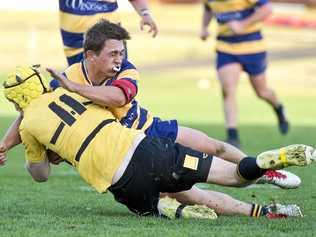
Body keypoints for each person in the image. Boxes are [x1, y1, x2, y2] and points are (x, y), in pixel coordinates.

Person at [0, 20, 300, 196]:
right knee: (187, 191)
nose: (120, 59)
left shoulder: (124, 70)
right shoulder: (66, 80)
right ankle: (251, 184)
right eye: (114, 53)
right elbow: (31, 110)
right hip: (125, 153)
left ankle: (263, 170)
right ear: (91, 55)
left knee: (213, 147)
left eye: (122, 52)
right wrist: (4, 144)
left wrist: (76, 89)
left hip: (148, 127)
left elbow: (119, 99)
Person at [2, 65, 314, 219]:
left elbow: (40, 173)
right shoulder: (70, 88)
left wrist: (38, 153)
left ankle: (170, 210)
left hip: (123, 181)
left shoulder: (29, 124)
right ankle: (258, 164)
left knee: (152, 205)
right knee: (233, 175)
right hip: (148, 148)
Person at [200, 0, 289, 148]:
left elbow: (267, 9)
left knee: (262, 92)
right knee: (228, 90)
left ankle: (278, 108)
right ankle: (232, 136)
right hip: (225, 47)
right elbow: (208, 8)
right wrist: (204, 28)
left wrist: (243, 24)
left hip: (253, 46)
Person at [59, 0, 158, 65]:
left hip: (112, 42)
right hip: (76, 46)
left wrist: (145, 13)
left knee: (115, 84)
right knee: (81, 89)